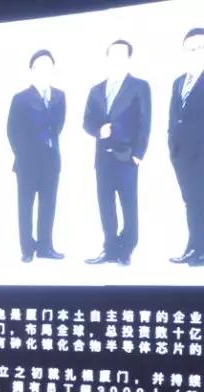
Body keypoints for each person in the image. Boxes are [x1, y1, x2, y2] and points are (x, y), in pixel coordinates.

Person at [83, 39, 152, 266]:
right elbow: (87, 121)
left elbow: (145, 122)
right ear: (107, 58)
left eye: (121, 55)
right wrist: (98, 131)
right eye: (112, 54)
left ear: (128, 58)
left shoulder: (140, 86)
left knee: (129, 205)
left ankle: (127, 249)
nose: (117, 59)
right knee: (106, 205)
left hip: (127, 156)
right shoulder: (96, 90)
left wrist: (138, 154)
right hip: (102, 158)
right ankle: (110, 249)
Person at [8, 49, 67, 262]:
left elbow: (58, 127)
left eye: (48, 67)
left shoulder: (59, 96)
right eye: (40, 67)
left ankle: (45, 247)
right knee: (25, 206)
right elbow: (12, 131)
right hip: (27, 164)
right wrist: (26, 156)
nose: (44, 71)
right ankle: (26, 249)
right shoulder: (21, 98)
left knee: (48, 205)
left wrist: (48, 149)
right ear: (32, 71)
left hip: (51, 162)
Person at [169, 28, 204, 266]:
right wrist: (171, 143)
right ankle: (194, 247)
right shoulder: (179, 81)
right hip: (182, 155)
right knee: (192, 202)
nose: (195, 52)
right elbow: (174, 117)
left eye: (200, 47)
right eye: (190, 49)